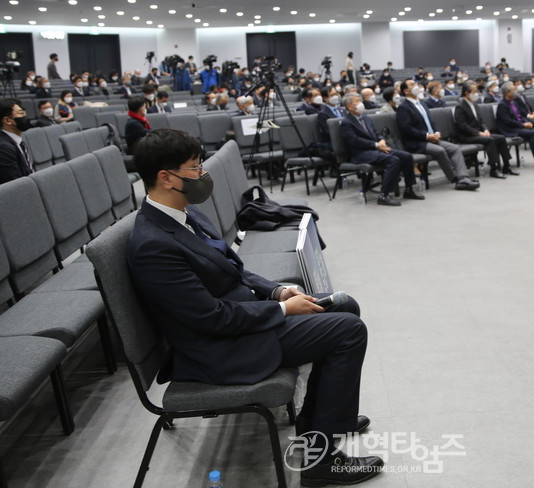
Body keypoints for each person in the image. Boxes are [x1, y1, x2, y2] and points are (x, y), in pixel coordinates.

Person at [127, 128, 382, 484]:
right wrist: (281, 311)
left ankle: (323, 421)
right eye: (195, 168)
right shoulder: (153, 245)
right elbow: (209, 318)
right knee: (348, 330)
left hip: (242, 320)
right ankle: (320, 462)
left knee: (344, 307)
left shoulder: (185, 214)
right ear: (166, 178)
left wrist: (278, 292)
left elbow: (235, 270)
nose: (203, 175)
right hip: (220, 348)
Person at [340, 94, 422, 207]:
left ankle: (409, 189)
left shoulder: (366, 118)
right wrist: (376, 145)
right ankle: (384, 195)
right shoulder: (346, 123)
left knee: (407, 156)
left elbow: (376, 133)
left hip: (377, 148)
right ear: (349, 107)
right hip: (361, 153)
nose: (361, 103)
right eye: (357, 101)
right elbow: (355, 141)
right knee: (393, 160)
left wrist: (381, 140)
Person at [396, 80, 479, 191]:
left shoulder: (423, 104)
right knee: (440, 150)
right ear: (406, 91)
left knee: (455, 149)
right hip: (417, 142)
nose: (416, 86)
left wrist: (436, 132)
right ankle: (455, 179)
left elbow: (431, 122)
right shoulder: (404, 107)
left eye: (415, 84)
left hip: (432, 138)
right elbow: (407, 129)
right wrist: (426, 136)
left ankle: (463, 177)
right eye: (412, 85)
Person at [454, 82, 516, 179]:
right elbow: (463, 126)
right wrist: (479, 133)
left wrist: (486, 130)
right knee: (490, 140)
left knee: (500, 138)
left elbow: (481, 121)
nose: (476, 94)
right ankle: (494, 169)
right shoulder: (460, 107)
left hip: (479, 133)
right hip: (467, 136)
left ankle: (506, 166)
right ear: (466, 93)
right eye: (474, 92)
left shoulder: (475, 104)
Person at [497, 84, 534, 168]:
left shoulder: (513, 103)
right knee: (533, 133)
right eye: (514, 90)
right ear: (507, 92)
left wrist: (527, 122)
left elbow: (521, 117)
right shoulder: (502, 105)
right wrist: (523, 125)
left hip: (518, 126)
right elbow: (508, 121)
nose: (516, 92)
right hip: (510, 129)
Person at [0, 99, 33, 186]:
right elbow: (17, 184)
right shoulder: (2, 149)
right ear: (8, 121)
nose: (25, 116)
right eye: (21, 113)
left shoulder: (17, 142)